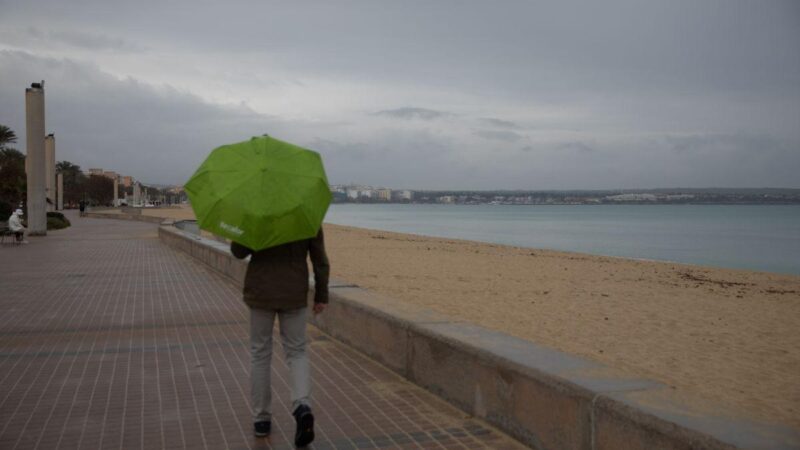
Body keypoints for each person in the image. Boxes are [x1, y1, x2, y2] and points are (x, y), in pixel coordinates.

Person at [231, 229, 329, 447]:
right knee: (297, 351)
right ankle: (302, 406)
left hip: (261, 291)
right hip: (293, 291)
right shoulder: (305, 212)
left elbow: (237, 251)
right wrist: (321, 293)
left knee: (260, 354)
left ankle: (261, 419)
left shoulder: (257, 211)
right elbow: (319, 259)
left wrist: (247, 227)